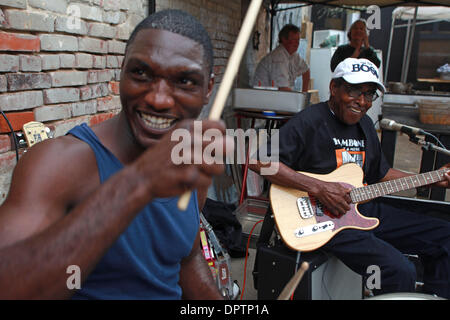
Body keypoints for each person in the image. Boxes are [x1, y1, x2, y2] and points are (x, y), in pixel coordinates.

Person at [0, 10, 229, 299]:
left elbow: (185, 258)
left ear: (208, 88)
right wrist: (139, 182)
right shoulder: (58, 164)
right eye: (141, 73)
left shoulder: (191, 168)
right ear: (122, 72)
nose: (158, 98)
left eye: (184, 81)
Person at [250, 58, 450, 298]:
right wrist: (319, 188)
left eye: (369, 94)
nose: (362, 102)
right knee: (399, 270)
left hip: (364, 211)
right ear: (334, 88)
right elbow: (257, 160)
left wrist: (429, 179)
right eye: (354, 91)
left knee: (444, 237)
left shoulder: (365, 125)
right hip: (325, 221)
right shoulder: (310, 121)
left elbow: (381, 174)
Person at [253, 24, 310, 92]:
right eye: (293, 40)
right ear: (284, 39)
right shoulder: (278, 57)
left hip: (277, 98)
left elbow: (306, 71)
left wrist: (305, 94)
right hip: (264, 98)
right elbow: (283, 89)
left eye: (298, 40)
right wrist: (299, 99)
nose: (297, 43)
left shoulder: (294, 56)